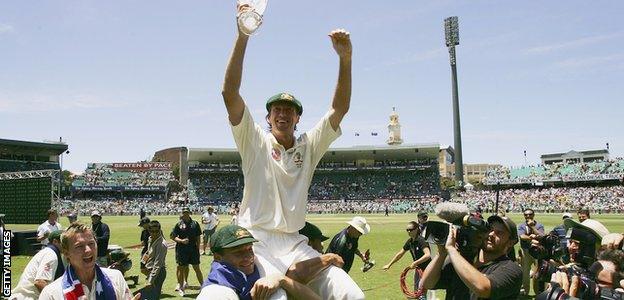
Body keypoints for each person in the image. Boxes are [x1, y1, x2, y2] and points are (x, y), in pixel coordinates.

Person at [221, 4, 362, 299]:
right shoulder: (254, 140)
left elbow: (340, 108)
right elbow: (230, 94)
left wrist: (345, 59)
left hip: (295, 243)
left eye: (289, 110)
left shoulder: (308, 146)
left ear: (298, 118)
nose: (282, 114)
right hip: (255, 240)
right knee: (278, 297)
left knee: (352, 294)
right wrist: (243, 36)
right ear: (268, 117)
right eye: (276, 110)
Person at [198, 225, 325, 300]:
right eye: (238, 252)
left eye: (249, 249)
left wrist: (282, 280)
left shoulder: (256, 269)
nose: (248, 257)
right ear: (218, 257)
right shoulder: (216, 292)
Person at [421, 215, 522, 300]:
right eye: (490, 229)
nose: (491, 234)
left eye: (499, 233)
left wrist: (452, 250)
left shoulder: (512, 269)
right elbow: (427, 283)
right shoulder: (463, 260)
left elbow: (483, 288)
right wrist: (441, 253)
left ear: (510, 242)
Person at [39, 223, 135, 299]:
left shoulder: (116, 278)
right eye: (79, 246)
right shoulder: (52, 294)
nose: (88, 250)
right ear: (66, 253)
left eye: (91, 243)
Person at [10, 230, 65, 299]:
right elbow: (40, 282)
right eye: (64, 242)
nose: (67, 244)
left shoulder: (50, 252)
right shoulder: (51, 255)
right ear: (55, 241)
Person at [382, 221, 431, 291]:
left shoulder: (421, 240)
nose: (408, 232)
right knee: (417, 291)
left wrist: (415, 263)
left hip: (427, 269)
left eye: (410, 230)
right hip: (418, 269)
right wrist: (389, 265)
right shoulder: (410, 242)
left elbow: (427, 255)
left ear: (416, 229)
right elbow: (400, 254)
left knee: (421, 292)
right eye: (407, 230)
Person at [170, 206, 203, 296]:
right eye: (184, 212)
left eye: (187, 212)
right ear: (182, 213)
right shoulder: (178, 224)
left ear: (189, 213)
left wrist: (198, 248)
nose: (185, 214)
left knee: (197, 268)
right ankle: (181, 288)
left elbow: (198, 236)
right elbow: (173, 236)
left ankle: (203, 286)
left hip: (193, 249)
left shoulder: (195, 224)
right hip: (182, 250)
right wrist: (181, 241)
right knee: (181, 268)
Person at [517, 208, 545, 295]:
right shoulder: (521, 226)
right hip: (526, 251)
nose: (528, 216)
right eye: (526, 215)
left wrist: (532, 227)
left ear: (533, 215)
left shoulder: (539, 225)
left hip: (538, 252)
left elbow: (542, 236)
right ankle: (525, 291)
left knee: (540, 272)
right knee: (525, 272)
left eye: (530, 214)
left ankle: (539, 292)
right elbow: (522, 236)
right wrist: (532, 238)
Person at [140, 220, 168, 300]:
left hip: (158, 273)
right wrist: (143, 262)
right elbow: (148, 251)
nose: (154, 233)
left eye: (157, 231)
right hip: (150, 271)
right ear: (149, 231)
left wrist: (151, 280)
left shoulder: (162, 244)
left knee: (153, 297)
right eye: (152, 231)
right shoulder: (150, 239)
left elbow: (158, 264)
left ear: (160, 230)